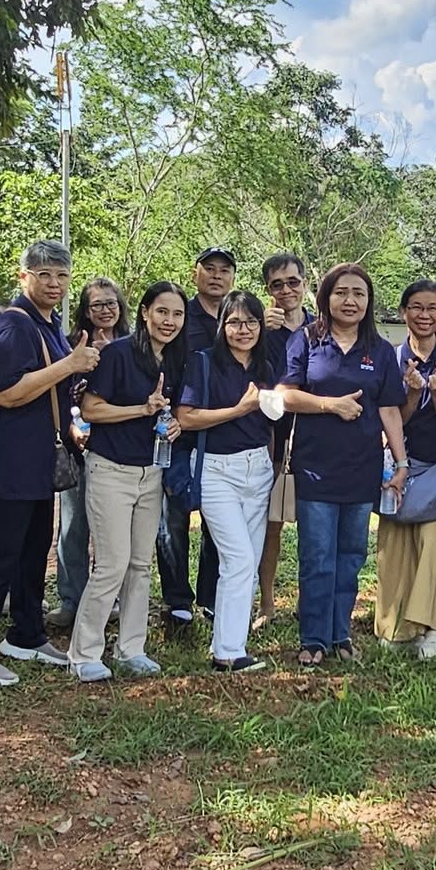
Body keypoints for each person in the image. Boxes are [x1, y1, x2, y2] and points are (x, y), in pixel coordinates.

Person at [0, 240, 94, 688]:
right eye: (43, 275)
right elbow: (8, 393)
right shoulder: (14, 325)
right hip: (9, 461)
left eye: (62, 276)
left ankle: (26, 635)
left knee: (31, 552)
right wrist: (69, 364)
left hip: (35, 461)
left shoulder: (46, 324)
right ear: (23, 276)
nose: (54, 284)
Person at [280, 264, 408, 666]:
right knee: (317, 557)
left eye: (359, 293)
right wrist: (328, 405)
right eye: (341, 292)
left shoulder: (381, 350)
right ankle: (314, 638)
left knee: (351, 557)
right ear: (326, 297)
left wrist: (401, 462)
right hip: (315, 468)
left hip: (362, 469)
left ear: (368, 301)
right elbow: (284, 395)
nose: (350, 301)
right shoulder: (306, 340)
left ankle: (340, 634)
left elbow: (389, 409)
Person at [72, 282, 184, 683]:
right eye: (162, 312)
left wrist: (173, 424)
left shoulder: (175, 359)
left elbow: (171, 412)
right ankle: (84, 653)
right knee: (112, 564)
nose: (169, 321)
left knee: (140, 564)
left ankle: (131, 649)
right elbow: (91, 410)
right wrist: (141, 408)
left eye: (177, 314)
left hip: (150, 471)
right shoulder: (118, 354)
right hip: (110, 469)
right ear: (144, 313)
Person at [177, 289, 277, 674]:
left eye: (251, 322)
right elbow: (186, 417)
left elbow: (273, 421)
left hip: (258, 468)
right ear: (221, 326)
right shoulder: (203, 362)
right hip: (217, 470)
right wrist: (238, 409)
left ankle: (230, 644)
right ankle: (228, 652)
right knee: (238, 558)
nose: (243, 330)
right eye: (234, 322)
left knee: (247, 561)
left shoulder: (266, 367)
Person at [375, 279, 436, 662]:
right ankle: (396, 627)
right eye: (416, 306)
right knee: (393, 545)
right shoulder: (391, 356)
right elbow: (394, 418)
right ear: (403, 312)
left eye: (432, 308)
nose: (424, 315)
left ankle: (434, 630)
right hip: (398, 465)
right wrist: (413, 393)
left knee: (432, 546)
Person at [158, 247, 233, 632]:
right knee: (173, 519)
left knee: (217, 519)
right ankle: (177, 602)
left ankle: (211, 597)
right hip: (177, 432)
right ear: (195, 273)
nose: (216, 276)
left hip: (221, 433)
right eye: (209, 269)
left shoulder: (238, 317)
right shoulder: (179, 316)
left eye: (224, 270)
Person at [53, 278, 129, 632]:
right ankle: (72, 600)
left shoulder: (134, 344)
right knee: (73, 527)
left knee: (115, 532)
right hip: (78, 450)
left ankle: (111, 600)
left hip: (119, 450)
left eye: (111, 303)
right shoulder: (70, 346)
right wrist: (71, 426)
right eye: (97, 304)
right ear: (85, 310)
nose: (105, 310)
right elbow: (59, 394)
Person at [256, 251, 312, 621]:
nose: (286, 290)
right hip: (271, 439)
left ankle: (310, 603)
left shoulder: (322, 328)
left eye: (293, 282)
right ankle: (267, 603)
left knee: (313, 527)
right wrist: (260, 329)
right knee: (270, 525)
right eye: (277, 285)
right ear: (268, 290)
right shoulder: (259, 330)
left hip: (314, 439)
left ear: (305, 284)